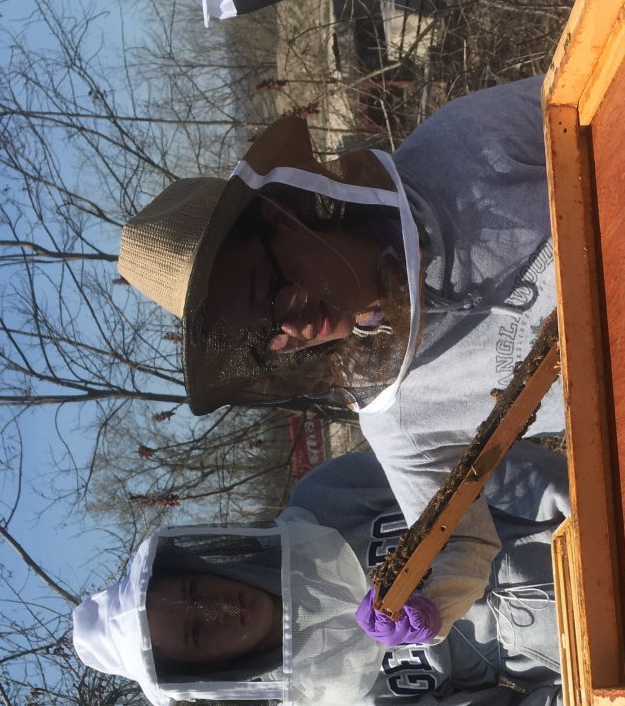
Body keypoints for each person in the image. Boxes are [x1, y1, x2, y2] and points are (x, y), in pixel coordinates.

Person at [118, 76, 562, 645]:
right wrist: (423, 604)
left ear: (281, 220)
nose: (290, 324)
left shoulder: (463, 147)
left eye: (268, 288)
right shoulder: (396, 417)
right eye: (263, 337)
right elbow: (462, 546)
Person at [72, 443, 568, 706]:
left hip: (581, 521)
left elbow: (477, 472)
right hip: (582, 656)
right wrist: (613, 694)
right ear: (212, 670)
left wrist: (580, 502)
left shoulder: (325, 497)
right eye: (196, 633)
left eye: (192, 591)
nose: (218, 608)